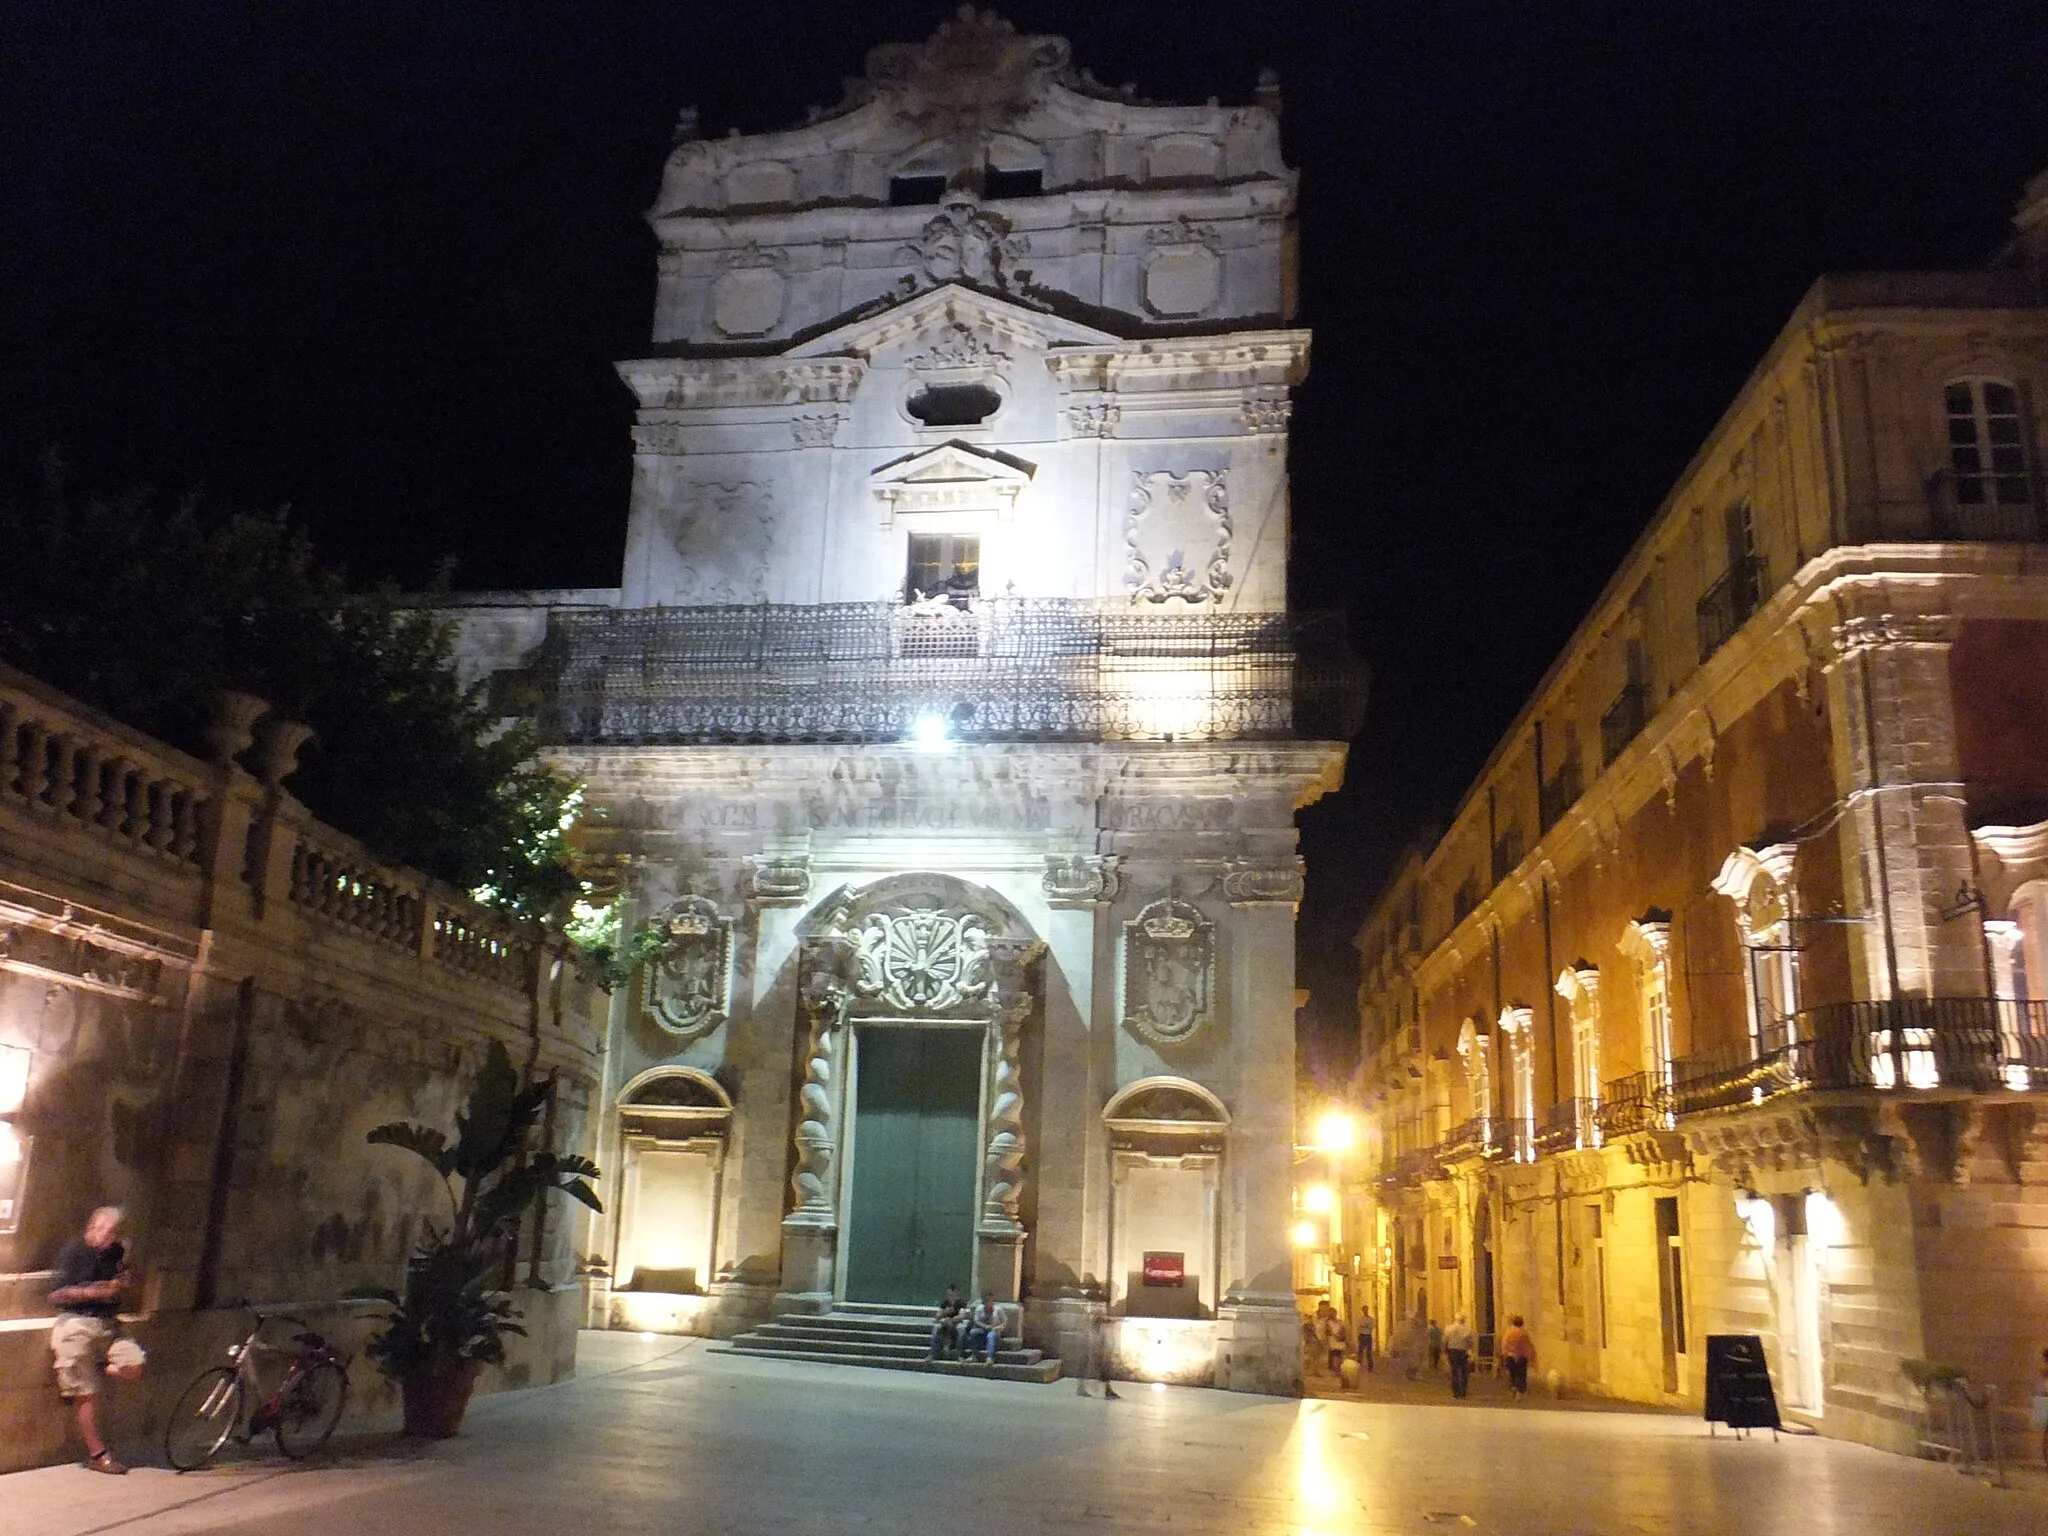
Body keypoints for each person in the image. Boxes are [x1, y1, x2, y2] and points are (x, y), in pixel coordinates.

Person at [48, 1206, 134, 1474]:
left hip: (108, 1325)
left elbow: (122, 1280)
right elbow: (54, 1295)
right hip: (76, 1322)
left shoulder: (116, 1252)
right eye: (102, 1231)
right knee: (86, 1394)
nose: (106, 1238)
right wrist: (92, 1292)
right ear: (91, 1227)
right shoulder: (74, 1252)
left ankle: (98, 1366)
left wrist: (121, 1283)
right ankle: (98, 1454)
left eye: (112, 1234)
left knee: (134, 1366)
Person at [961, 1289, 1003, 1365]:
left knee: (991, 1336)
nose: (987, 1302)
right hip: (982, 1329)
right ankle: (974, 1355)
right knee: (973, 1333)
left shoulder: (998, 1310)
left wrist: (998, 1327)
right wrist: (984, 1326)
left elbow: (1004, 1321)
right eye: (985, 1300)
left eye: (988, 1300)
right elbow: (976, 1320)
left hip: (994, 1330)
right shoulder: (979, 1309)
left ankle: (989, 1357)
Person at [1500, 1314, 1536, 1398]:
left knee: (1512, 1373)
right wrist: (1531, 1357)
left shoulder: (1508, 1332)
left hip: (1510, 1356)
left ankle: (1513, 1388)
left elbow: (1504, 1344)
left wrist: (1504, 1354)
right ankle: (1520, 1391)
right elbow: (1528, 1346)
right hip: (1521, 1357)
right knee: (1521, 1374)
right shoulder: (1524, 1333)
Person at [927, 1283, 965, 1360]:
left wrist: (950, 1320)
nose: (950, 1296)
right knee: (936, 1328)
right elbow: (937, 1316)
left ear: (956, 1293)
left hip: (955, 1323)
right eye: (948, 1294)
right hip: (944, 1323)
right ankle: (933, 1353)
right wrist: (945, 1312)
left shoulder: (960, 1303)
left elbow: (961, 1316)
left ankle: (960, 1354)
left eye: (951, 1294)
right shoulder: (945, 1303)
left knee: (961, 1330)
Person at [1443, 1315, 1475, 1398]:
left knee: (1454, 1372)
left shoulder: (1448, 1329)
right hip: (1463, 1352)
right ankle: (1463, 1391)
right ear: (1463, 1321)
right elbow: (1471, 1342)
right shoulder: (1467, 1330)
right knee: (1464, 1372)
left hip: (1452, 1351)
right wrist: (1470, 1351)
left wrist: (1444, 1351)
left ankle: (1455, 1392)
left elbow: (1444, 1340)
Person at [2033, 1346, 2048, 1469]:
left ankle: (2046, 1459)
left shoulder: (2044, 1371)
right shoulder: (2045, 1372)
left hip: (2045, 1402)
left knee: (2046, 1434)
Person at [1356, 1308, 1376, 1372]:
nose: (1366, 1311)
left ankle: (1370, 1367)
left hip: (1368, 1335)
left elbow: (1372, 1326)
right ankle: (1358, 1365)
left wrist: (1364, 1326)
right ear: (1362, 1311)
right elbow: (1359, 1327)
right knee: (1360, 1351)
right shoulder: (1360, 1319)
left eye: (1366, 1309)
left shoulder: (1370, 1319)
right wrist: (1366, 1326)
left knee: (1369, 1352)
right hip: (1362, 1335)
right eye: (1364, 1310)